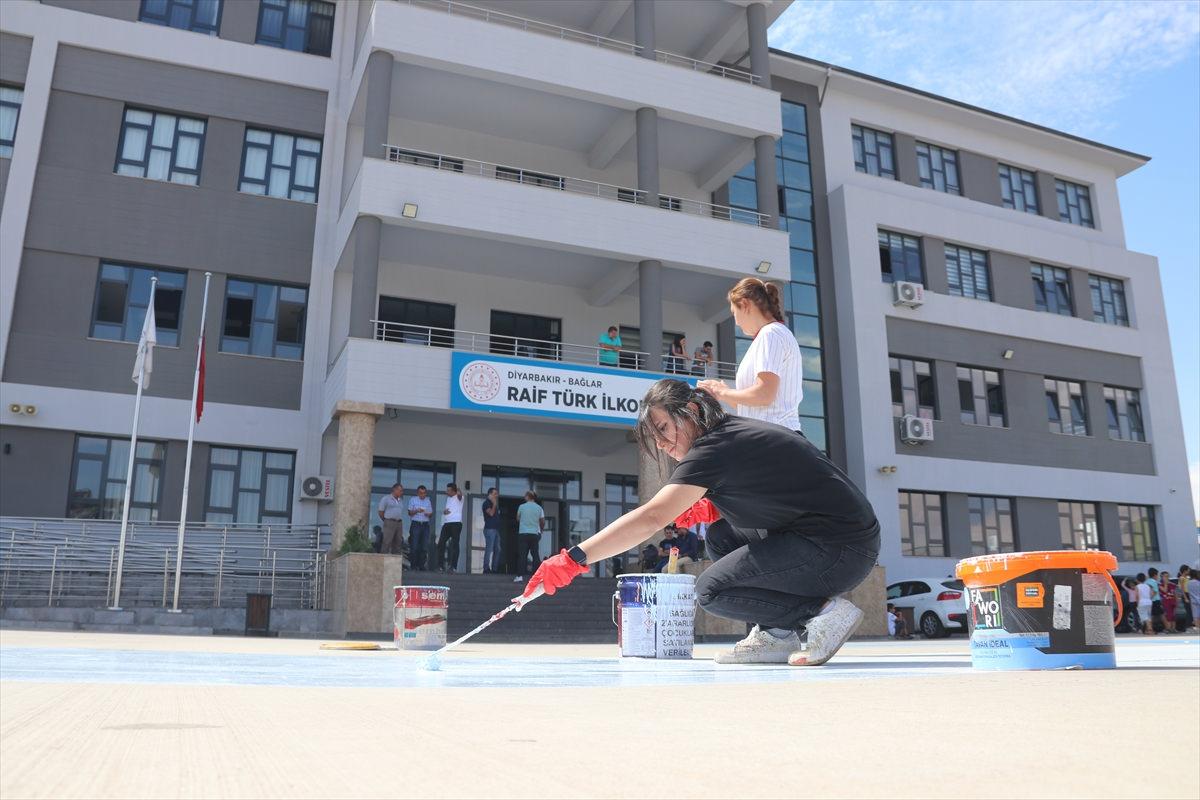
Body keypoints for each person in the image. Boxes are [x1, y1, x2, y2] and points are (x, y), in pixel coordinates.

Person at [516, 379, 879, 667]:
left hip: (839, 549)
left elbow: (652, 517)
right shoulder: (729, 436)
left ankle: (821, 614)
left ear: (690, 410)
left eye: (662, 428)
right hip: (835, 539)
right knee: (721, 536)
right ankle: (776, 633)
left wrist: (574, 559)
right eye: (653, 437)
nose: (660, 443)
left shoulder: (713, 448)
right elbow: (779, 490)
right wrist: (714, 508)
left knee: (712, 591)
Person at [698, 277, 803, 433]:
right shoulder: (772, 334)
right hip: (775, 435)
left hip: (775, 437)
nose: (737, 323)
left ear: (745, 305)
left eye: (734, 313)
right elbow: (759, 404)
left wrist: (723, 392)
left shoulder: (770, 334)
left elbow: (765, 394)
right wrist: (724, 393)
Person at [513, 491, 545, 583]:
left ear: (527, 497)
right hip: (535, 534)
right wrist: (541, 530)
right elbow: (542, 521)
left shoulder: (522, 507)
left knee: (522, 555)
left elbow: (518, 518)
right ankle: (538, 577)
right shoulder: (539, 508)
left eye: (525, 496)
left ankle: (520, 576)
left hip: (523, 533)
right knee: (535, 555)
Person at [435, 483, 464, 573]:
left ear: (454, 491)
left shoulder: (460, 498)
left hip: (456, 523)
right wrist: (444, 511)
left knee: (455, 544)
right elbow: (448, 510)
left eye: (448, 490)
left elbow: (459, 495)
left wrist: (458, 490)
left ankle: (453, 567)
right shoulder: (448, 499)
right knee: (441, 543)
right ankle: (440, 566)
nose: (446, 492)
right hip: (447, 523)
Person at [407, 485, 434, 571]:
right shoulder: (413, 500)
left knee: (424, 546)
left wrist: (428, 514)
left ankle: (421, 565)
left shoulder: (428, 501)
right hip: (416, 524)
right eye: (421, 493)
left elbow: (431, 513)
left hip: (425, 524)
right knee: (414, 546)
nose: (423, 495)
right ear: (418, 493)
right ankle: (413, 565)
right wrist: (417, 510)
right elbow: (409, 513)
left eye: (424, 493)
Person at [376, 483, 405, 556]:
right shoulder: (386, 498)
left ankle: (395, 561)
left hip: (399, 523)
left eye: (402, 491)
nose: (401, 492)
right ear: (394, 489)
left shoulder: (400, 500)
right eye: (400, 490)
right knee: (387, 542)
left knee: (398, 542)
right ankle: (383, 561)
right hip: (389, 522)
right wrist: (386, 520)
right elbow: (380, 512)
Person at [481, 487, 502, 574]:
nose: (496, 495)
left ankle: (494, 569)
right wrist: (494, 504)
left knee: (498, 549)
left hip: (496, 529)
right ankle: (486, 568)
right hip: (489, 529)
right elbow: (491, 513)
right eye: (495, 494)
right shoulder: (486, 503)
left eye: (496, 494)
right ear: (490, 494)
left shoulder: (494, 504)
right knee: (489, 549)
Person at [1175, 565, 1193, 632]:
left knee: (1191, 611)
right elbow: (1182, 589)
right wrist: (1185, 598)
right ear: (1185, 571)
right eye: (1188, 570)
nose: (1189, 571)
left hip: (1189, 594)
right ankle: (1187, 627)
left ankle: (1190, 625)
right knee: (1188, 611)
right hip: (1185, 594)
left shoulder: (1187, 578)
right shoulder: (1182, 578)